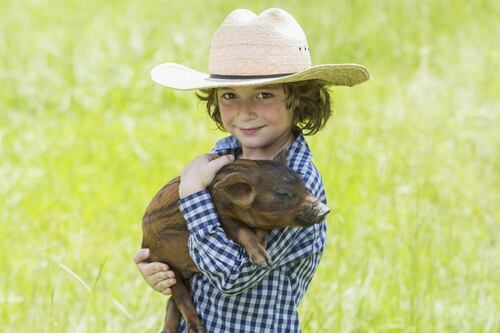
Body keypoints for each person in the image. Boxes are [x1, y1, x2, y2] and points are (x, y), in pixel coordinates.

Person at [133, 7, 370, 332]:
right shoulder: (223, 156)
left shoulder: (297, 188)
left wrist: (192, 195)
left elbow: (231, 275)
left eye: (264, 94)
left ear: (300, 99)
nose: (245, 112)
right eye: (230, 95)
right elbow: (197, 246)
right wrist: (165, 268)